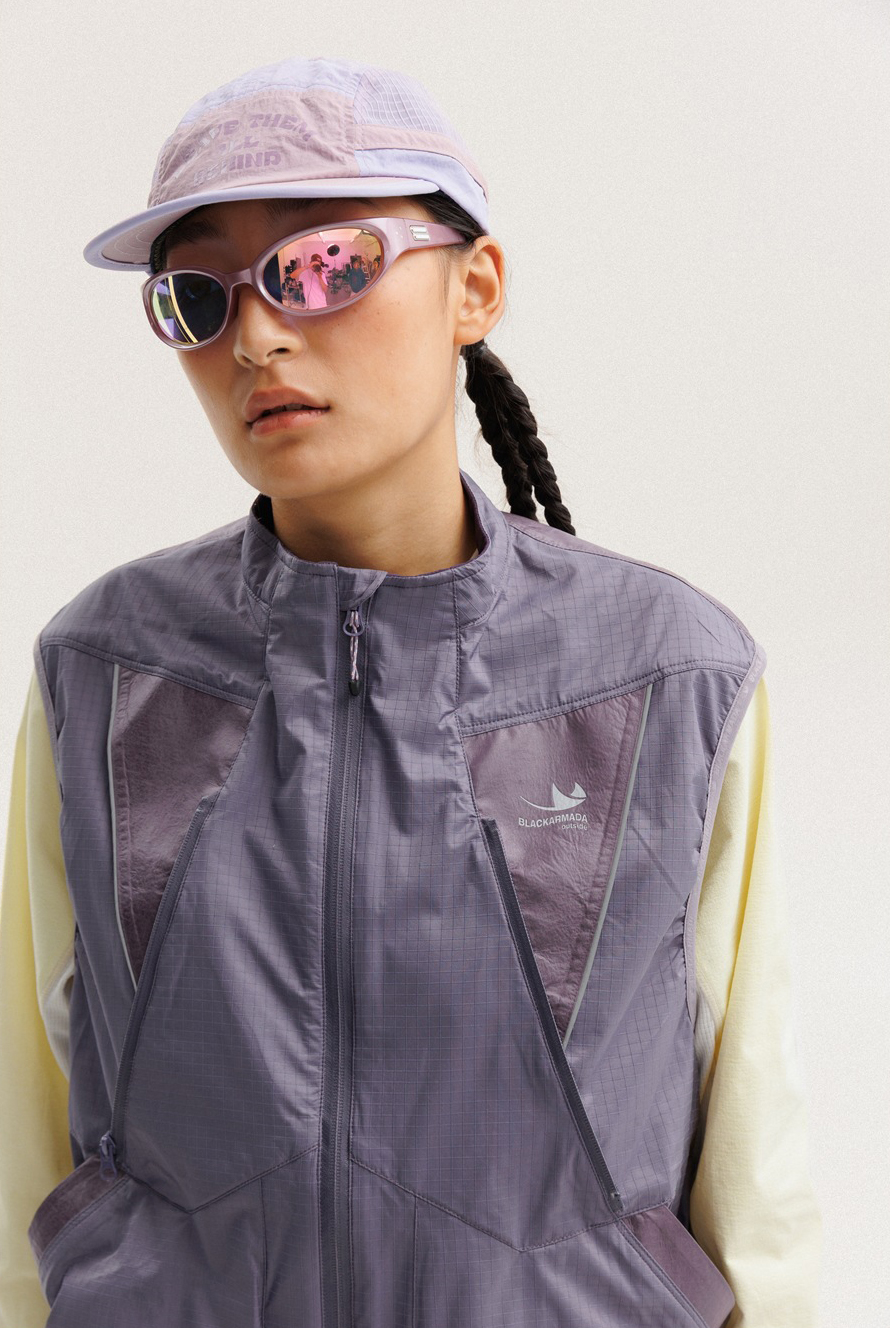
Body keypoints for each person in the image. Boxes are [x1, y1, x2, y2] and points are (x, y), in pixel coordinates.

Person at [0, 55, 822, 1328]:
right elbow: (24, 1116)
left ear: (472, 286)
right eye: (196, 297)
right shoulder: (108, 671)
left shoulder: (669, 676)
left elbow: (756, 1171)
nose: (257, 337)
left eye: (323, 264)